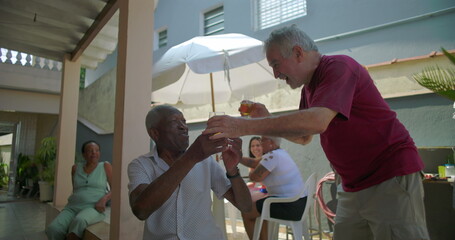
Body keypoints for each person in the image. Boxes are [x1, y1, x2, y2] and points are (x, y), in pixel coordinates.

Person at [204, 25, 429, 240]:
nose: (275, 74)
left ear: (298, 52)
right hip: (352, 185)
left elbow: (317, 122)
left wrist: (241, 126)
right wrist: (265, 118)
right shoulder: (309, 89)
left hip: (389, 176)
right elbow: (303, 136)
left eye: (275, 64)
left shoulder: (339, 66)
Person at [127, 105, 252, 240]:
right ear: (155, 134)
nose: (184, 127)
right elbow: (141, 210)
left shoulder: (206, 162)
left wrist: (233, 170)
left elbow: (245, 206)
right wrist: (192, 156)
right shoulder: (141, 165)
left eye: (184, 122)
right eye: (175, 122)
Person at [240, 136, 306, 240]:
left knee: (247, 211)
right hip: (300, 203)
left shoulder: (272, 156)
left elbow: (254, 177)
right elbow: (254, 162)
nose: (261, 142)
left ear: (271, 142)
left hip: (290, 207)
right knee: (260, 207)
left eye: (263, 140)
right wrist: (238, 158)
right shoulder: (280, 153)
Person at [46, 141, 112, 240]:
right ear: (84, 154)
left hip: (93, 208)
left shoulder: (105, 166)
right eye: (90, 151)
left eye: (97, 150)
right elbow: (76, 189)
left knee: (79, 222)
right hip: (72, 207)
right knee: (53, 229)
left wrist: (104, 199)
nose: (94, 153)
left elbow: (116, 188)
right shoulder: (75, 168)